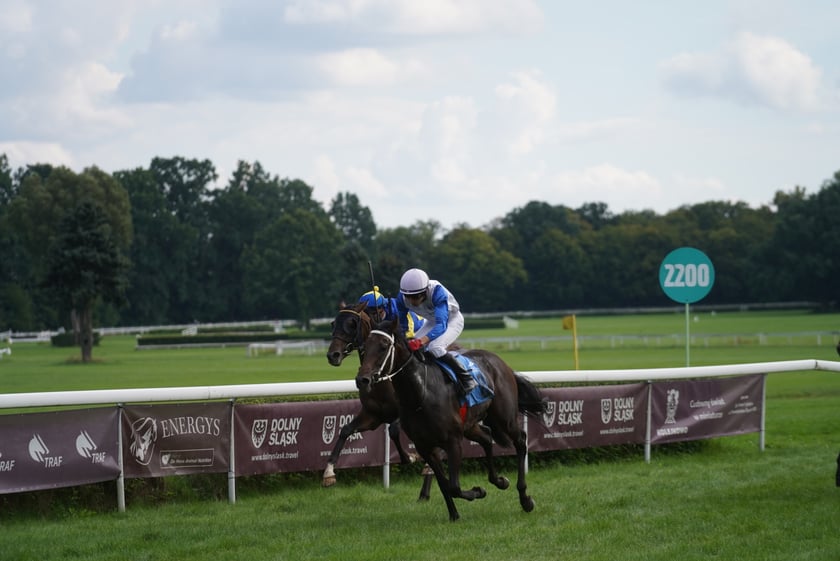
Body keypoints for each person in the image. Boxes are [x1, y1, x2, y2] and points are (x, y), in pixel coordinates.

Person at [395, 268, 476, 395]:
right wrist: (408, 337)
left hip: (451, 320)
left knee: (435, 347)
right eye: (408, 297)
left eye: (415, 297)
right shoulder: (401, 298)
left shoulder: (437, 293)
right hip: (432, 321)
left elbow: (441, 325)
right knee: (410, 348)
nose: (411, 301)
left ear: (425, 291)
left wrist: (422, 341)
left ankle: (467, 378)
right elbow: (403, 323)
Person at [358, 286, 424, 338]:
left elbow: (408, 329)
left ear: (382, 308)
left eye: (373, 313)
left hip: (419, 328)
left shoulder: (395, 311)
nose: (370, 317)